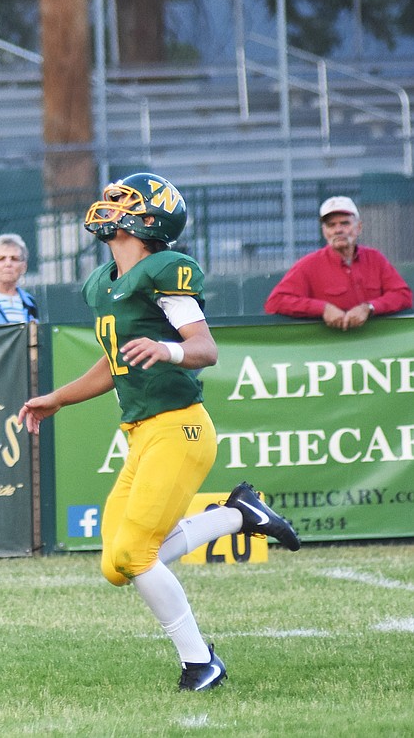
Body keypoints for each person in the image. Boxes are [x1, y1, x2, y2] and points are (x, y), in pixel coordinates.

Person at [17, 172, 301, 692]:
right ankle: (240, 514)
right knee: (115, 566)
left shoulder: (165, 271)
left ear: (148, 218)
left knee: (134, 555)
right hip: (141, 434)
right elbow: (113, 364)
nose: (108, 206)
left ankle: (201, 663)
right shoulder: (104, 282)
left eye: (122, 201)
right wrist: (57, 398)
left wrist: (167, 349)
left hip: (181, 430)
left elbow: (205, 348)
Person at [263, 195, 411, 329]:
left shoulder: (375, 259)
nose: (338, 230)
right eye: (331, 225)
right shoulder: (309, 264)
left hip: (377, 348)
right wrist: (322, 309)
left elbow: (403, 296)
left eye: (344, 223)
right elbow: (276, 302)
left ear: (358, 227)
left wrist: (369, 308)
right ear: (324, 231)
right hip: (329, 351)